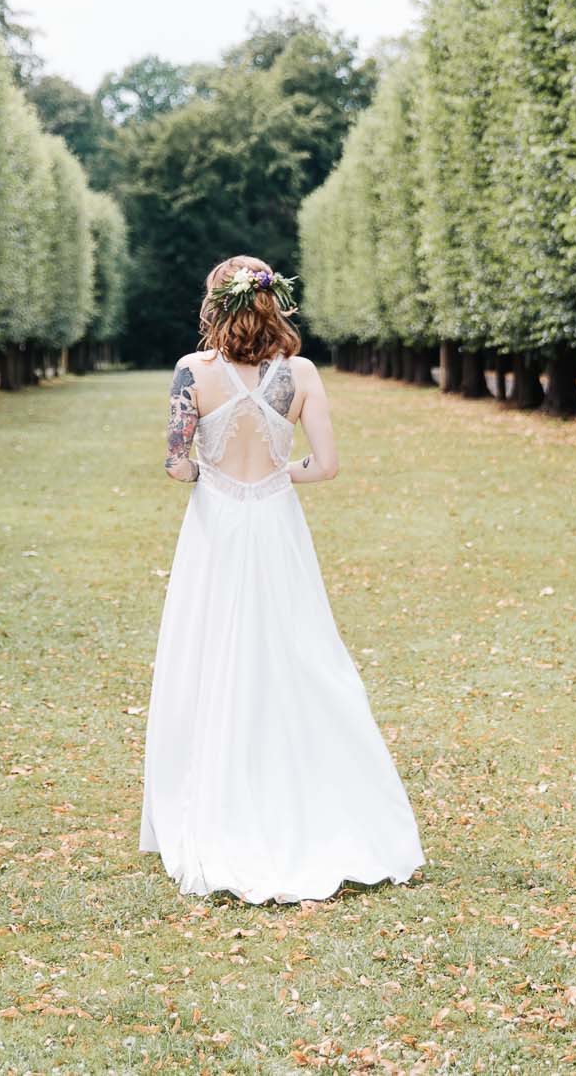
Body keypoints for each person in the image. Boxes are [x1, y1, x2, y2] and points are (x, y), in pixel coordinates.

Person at [138, 254, 424, 903]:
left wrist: (212, 474)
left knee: (209, 657)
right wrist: (274, 475)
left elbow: (177, 464)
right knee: (298, 655)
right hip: (276, 528)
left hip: (215, 532)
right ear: (275, 302)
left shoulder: (192, 372)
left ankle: (211, 799)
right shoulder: (300, 374)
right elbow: (325, 466)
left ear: (216, 306)